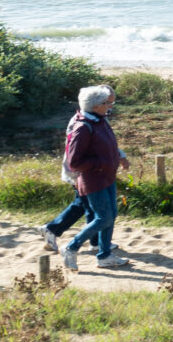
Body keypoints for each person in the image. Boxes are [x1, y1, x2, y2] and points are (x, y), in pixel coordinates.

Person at [61, 85, 134, 269]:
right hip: (93, 179)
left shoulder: (99, 120)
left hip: (107, 176)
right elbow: (74, 161)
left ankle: (104, 256)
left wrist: (118, 157)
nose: (110, 106)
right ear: (95, 106)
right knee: (103, 218)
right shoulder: (83, 127)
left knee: (111, 215)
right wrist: (99, 163)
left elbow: (107, 147)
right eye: (107, 103)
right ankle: (71, 247)